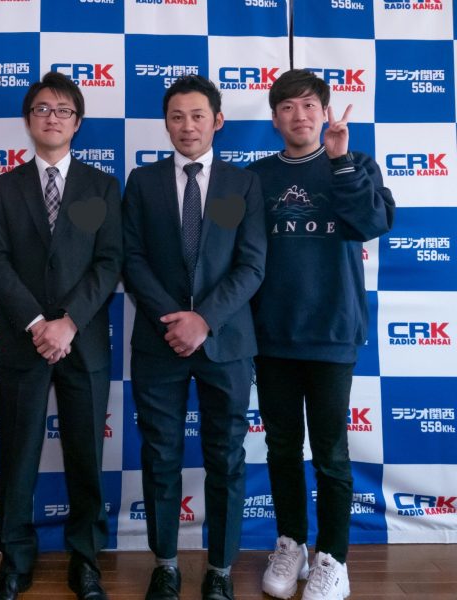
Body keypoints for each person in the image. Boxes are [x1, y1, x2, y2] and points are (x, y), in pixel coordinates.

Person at [246, 69, 394, 600]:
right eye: (287, 106)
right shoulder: (255, 177)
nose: (299, 115)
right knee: (282, 448)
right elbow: (224, 241)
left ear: (325, 112)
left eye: (309, 105)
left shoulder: (356, 165)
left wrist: (340, 161)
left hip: (332, 333)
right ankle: (291, 544)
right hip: (272, 336)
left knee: (331, 452)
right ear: (274, 118)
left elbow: (371, 224)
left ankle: (332, 557)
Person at [122, 75, 266, 600]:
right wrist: (175, 321)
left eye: (198, 115)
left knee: (225, 457)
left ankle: (220, 569)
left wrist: (203, 319)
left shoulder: (241, 185)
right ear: (166, 123)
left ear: (217, 121)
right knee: (160, 455)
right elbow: (132, 258)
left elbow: (250, 265)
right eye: (177, 116)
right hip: (159, 343)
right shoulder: (142, 182)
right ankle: (165, 564)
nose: (188, 126)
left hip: (225, 344)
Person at [0, 71, 122, 600]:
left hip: (83, 342)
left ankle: (85, 559)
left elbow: (109, 262)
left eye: (63, 110)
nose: (52, 118)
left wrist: (69, 321)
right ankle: (14, 560)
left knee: (85, 456)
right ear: (28, 120)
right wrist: (38, 324)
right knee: (18, 455)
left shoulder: (102, 186)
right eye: (42, 109)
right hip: (25, 341)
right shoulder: (4, 187)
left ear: (77, 122)